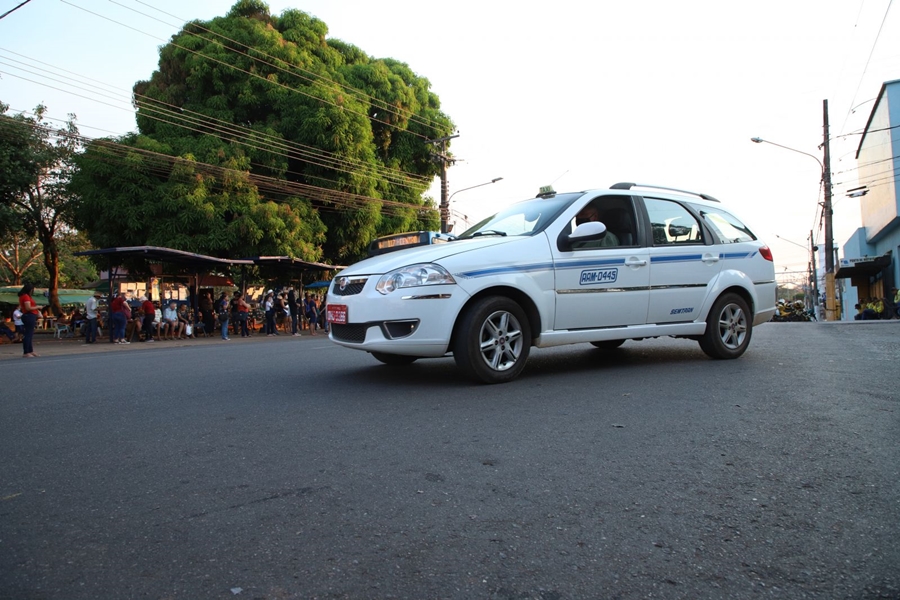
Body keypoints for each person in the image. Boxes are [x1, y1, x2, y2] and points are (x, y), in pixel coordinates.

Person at [17, 283, 41, 357]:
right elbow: (28, 308)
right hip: (29, 315)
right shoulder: (26, 297)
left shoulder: (25, 296)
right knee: (28, 334)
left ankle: (30, 350)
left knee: (30, 334)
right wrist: (37, 307)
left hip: (30, 315)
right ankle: (26, 352)